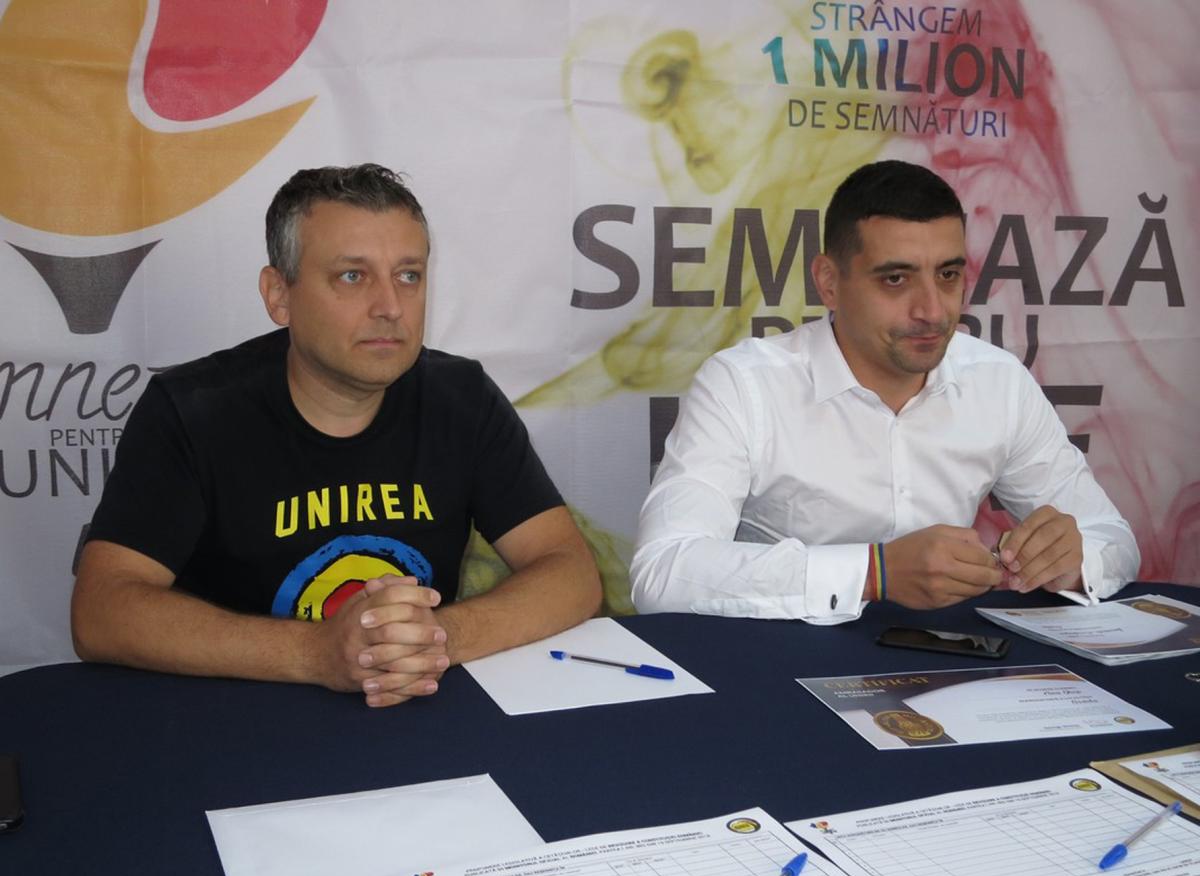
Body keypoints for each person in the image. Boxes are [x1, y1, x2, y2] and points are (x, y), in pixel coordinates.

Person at [72, 164, 601, 705]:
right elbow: (101, 612)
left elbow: (571, 573)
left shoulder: (462, 398)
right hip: (234, 717)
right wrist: (316, 653)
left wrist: (437, 639)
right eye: (352, 276)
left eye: (409, 276)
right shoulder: (191, 410)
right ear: (279, 295)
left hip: (412, 704)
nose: (390, 307)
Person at [631, 160, 1139, 623]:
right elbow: (663, 572)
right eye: (896, 279)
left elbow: (1112, 540)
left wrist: (1073, 561)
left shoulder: (998, 381)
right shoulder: (744, 385)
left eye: (948, 275)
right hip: (779, 664)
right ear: (829, 283)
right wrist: (874, 572)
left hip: (954, 665)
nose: (933, 310)